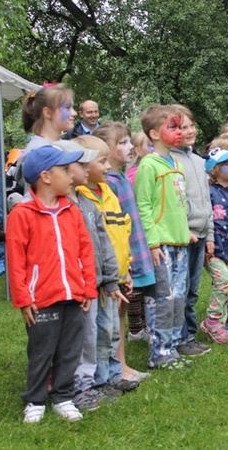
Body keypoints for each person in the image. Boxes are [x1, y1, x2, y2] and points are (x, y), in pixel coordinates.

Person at [6, 145, 97, 423]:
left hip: (73, 295)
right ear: (46, 176)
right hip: (40, 299)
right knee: (41, 350)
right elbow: (15, 258)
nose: (72, 175)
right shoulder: (22, 214)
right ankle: (35, 401)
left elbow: (85, 251)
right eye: (65, 170)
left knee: (70, 349)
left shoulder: (72, 210)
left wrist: (88, 287)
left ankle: (63, 397)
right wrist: (23, 298)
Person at [72, 135, 139, 395]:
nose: (108, 167)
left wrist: (126, 269)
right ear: (84, 166)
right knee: (96, 334)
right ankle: (97, 381)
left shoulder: (108, 192)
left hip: (115, 275)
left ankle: (112, 375)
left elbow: (122, 232)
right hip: (94, 282)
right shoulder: (81, 199)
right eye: (102, 162)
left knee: (111, 331)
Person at [60, 139, 124, 412]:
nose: (86, 168)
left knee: (103, 332)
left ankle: (100, 381)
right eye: (81, 163)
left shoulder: (86, 202)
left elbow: (104, 242)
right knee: (84, 338)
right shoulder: (63, 206)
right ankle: (80, 388)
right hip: (79, 286)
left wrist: (110, 278)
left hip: (99, 282)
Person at [92, 122, 154, 379]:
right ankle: (115, 367)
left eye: (130, 142)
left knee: (120, 312)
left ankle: (121, 364)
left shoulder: (119, 179)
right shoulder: (110, 184)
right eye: (122, 143)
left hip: (130, 253)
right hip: (116, 259)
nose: (130, 147)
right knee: (113, 314)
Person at [134, 105, 193, 370]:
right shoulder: (148, 165)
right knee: (162, 298)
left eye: (181, 127)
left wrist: (185, 231)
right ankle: (159, 352)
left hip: (179, 242)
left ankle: (173, 343)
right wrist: (152, 241)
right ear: (154, 134)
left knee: (178, 297)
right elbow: (143, 206)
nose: (180, 132)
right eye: (173, 127)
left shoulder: (176, 163)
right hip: (161, 245)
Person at [168, 106, 213, 358]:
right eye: (181, 127)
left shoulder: (198, 161)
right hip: (183, 236)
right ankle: (180, 336)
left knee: (193, 289)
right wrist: (183, 229)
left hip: (201, 234)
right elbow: (175, 202)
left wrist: (211, 235)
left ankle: (188, 335)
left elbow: (206, 201)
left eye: (190, 125)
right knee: (180, 289)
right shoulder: (170, 161)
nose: (189, 131)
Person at [199, 147, 228, 345]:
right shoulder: (209, 192)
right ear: (213, 170)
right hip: (213, 249)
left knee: (226, 286)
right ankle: (212, 320)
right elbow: (207, 219)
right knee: (224, 282)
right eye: (226, 164)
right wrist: (206, 244)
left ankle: (221, 326)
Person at [16, 84, 77, 191]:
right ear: (48, 113)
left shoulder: (59, 145)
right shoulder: (37, 152)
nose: (74, 113)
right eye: (67, 108)